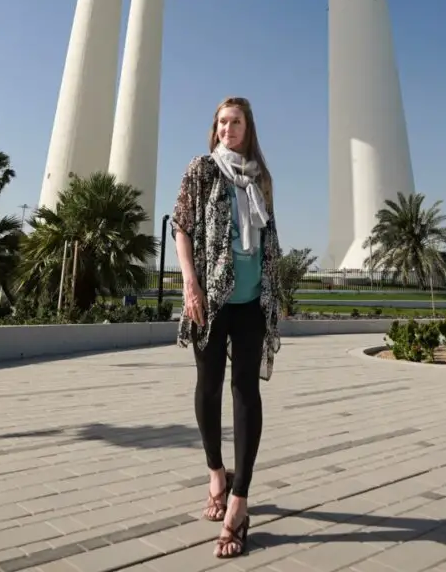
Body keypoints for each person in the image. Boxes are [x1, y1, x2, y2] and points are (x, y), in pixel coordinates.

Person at [172, 96, 282, 559]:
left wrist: (277, 290)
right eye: (221, 122)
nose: (227, 129)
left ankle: (239, 501)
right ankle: (217, 471)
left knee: (246, 393)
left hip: (253, 300)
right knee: (208, 385)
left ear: (248, 128)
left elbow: (269, 236)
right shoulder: (202, 169)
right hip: (212, 299)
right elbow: (182, 227)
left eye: (235, 122)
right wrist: (190, 284)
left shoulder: (261, 177)